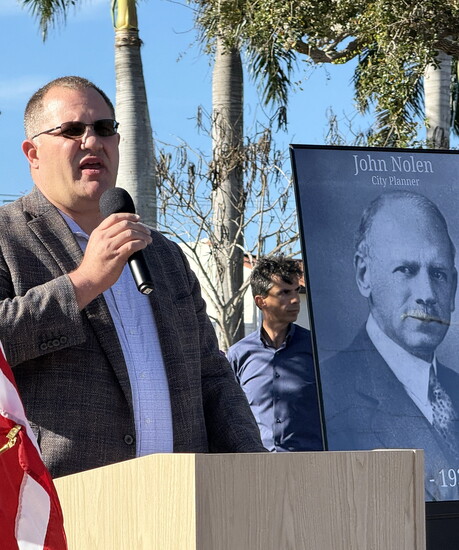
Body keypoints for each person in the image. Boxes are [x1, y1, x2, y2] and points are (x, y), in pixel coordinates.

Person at [0, 76, 265, 479]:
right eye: (72, 130)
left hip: (179, 503)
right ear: (33, 153)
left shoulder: (163, 254)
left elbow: (210, 374)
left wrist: (256, 468)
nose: (92, 141)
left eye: (105, 129)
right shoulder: (7, 237)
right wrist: (85, 281)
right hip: (60, 508)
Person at [320, 190, 459, 501]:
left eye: (438, 274)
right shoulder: (326, 392)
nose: (427, 293)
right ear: (364, 274)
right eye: (406, 270)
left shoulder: (454, 388)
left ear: (454, 288)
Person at [226, 255, 323, 452]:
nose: (295, 299)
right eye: (284, 293)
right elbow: (229, 416)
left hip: (311, 467)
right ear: (261, 301)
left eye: (297, 291)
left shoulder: (318, 350)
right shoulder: (238, 355)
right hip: (258, 469)